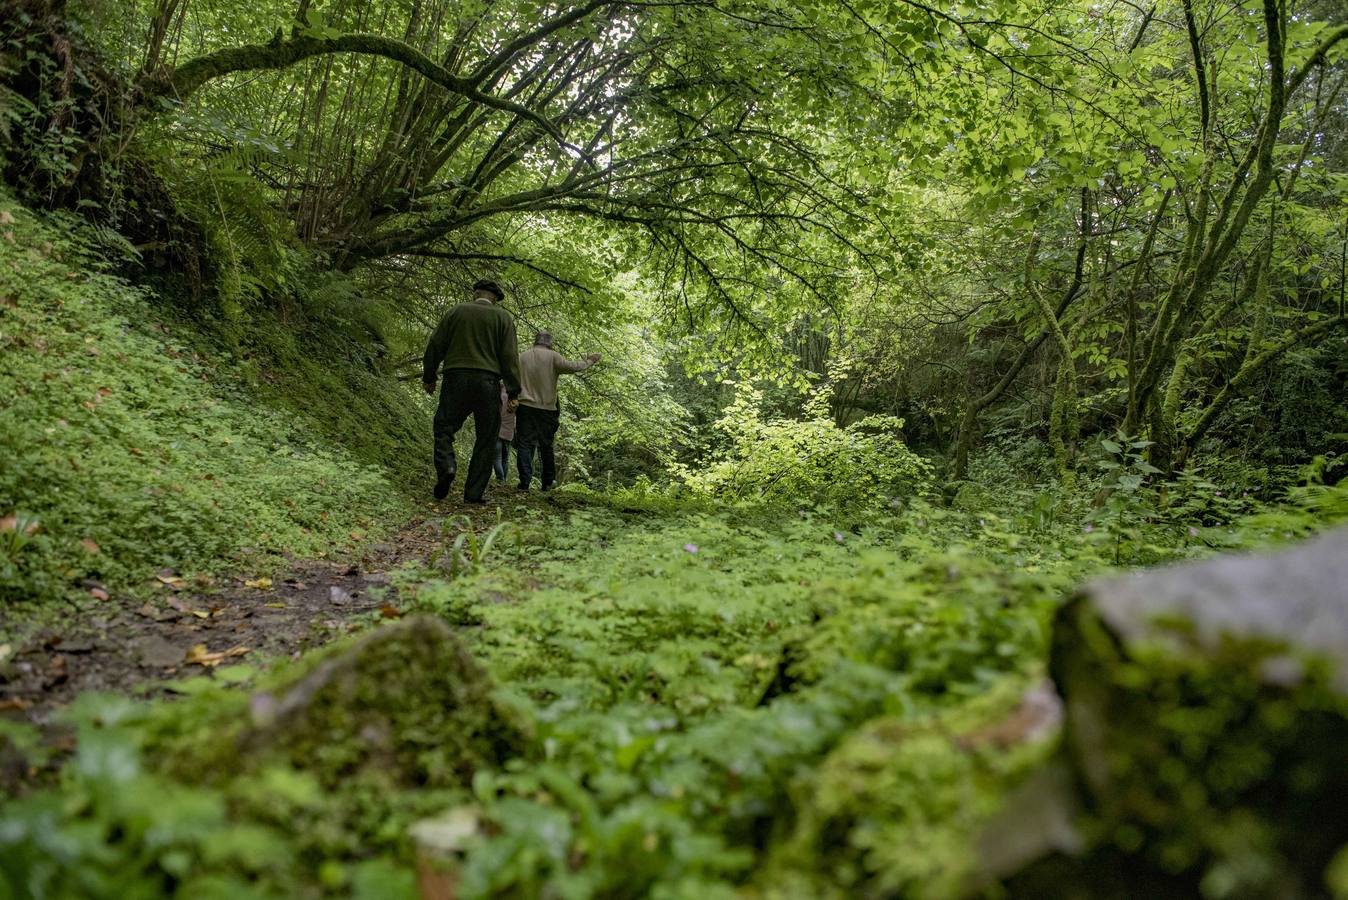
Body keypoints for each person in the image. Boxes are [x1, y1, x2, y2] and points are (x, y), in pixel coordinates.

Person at [422, 279, 521, 503]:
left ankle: (447, 465)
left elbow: (436, 344)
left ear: (476, 293)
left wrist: (429, 376)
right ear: (494, 298)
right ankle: (473, 494)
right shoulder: (503, 318)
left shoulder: (456, 311)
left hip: (455, 378)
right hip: (488, 383)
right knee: (487, 437)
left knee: (444, 427)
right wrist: (513, 392)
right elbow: (509, 358)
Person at [515, 331, 599, 491]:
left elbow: (511, 376)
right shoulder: (553, 357)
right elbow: (574, 367)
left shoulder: (522, 357)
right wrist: (590, 361)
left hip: (525, 406)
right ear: (549, 343)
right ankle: (547, 481)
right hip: (546, 408)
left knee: (524, 444)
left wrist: (513, 397)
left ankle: (524, 482)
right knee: (546, 445)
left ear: (536, 341)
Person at [494, 383, 516, 482]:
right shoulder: (514, 400)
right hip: (509, 433)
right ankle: (504, 480)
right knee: (505, 459)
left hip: (497, 431)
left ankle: (500, 479)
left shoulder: (498, 397)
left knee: (497, 458)